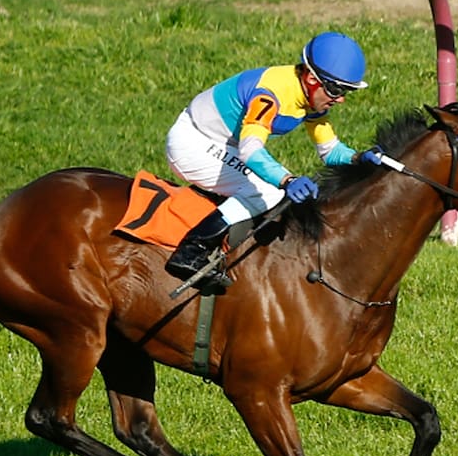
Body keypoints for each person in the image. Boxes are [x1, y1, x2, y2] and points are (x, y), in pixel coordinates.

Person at [163, 31, 382, 285]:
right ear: (311, 78)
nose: (341, 99)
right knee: (270, 191)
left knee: (273, 186)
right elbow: (250, 150)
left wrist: (359, 158)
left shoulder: (310, 98)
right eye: (336, 89)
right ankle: (193, 249)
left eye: (347, 91)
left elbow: (330, 151)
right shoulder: (271, 94)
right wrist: (287, 180)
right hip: (194, 143)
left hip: (220, 142)